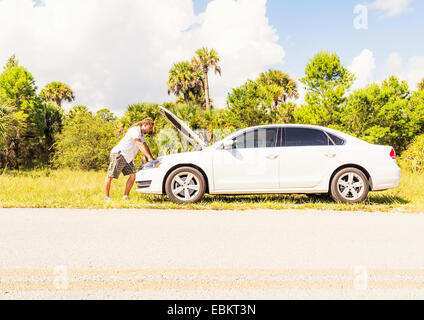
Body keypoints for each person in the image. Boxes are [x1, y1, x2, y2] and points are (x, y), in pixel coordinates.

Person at [104, 118, 155, 201]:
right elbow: (139, 143)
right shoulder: (135, 130)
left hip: (128, 157)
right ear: (144, 125)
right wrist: (149, 158)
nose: (150, 130)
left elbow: (145, 145)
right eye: (150, 128)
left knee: (133, 175)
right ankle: (106, 197)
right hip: (119, 154)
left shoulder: (141, 134)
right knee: (110, 176)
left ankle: (125, 196)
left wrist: (151, 157)